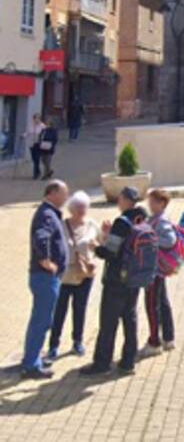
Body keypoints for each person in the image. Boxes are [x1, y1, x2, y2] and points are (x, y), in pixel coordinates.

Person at [81, 186, 149, 377]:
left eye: (120, 198)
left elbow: (111, 253)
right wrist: (110, 234)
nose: (118, 201)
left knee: (108, 322)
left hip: (116, 281)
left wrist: (96, 247)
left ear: (126, 200)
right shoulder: (143, 218)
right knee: (130, 319)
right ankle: (128, 362)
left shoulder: (122, 222)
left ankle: (102, 364)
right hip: (135, 279)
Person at [22, 179, 69, 379]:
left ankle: (33, 358)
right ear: (51, 193)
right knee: (41, 321)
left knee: (42, 320)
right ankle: (31, 365)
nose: (66, 197)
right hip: (45, 278)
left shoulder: (49, 213)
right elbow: (41, 238)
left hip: (46, 278)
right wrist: (45, 261)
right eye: (63, 193)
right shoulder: (47, 215)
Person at [47, 190, 99, 360]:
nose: (82, 210)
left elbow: (101, 243)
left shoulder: (92, 225)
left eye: (84, 207)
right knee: (59, 310)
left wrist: (101, 240)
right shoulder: (61, 226)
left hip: (85, 274)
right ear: (71, 208)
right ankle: (53, 345)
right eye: (79, 207)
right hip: (64, 274)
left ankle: (77, 341)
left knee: (80, 309)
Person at [142, 188, 179, 356]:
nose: (150, 204)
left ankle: (154, 342)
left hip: (155, 270)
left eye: (153, 201)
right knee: (162, 302)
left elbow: (170, 240)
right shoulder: (154, 219)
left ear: (162, 203)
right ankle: (168, 338)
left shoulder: (161, 221)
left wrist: (153, 240)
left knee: (152, 305)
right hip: (157, 269)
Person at [25, 112, 45, 179]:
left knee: (37, 158)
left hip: (39, 144)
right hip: (31, 143)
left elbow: (45, 134)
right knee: (34, 159)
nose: (37, 120)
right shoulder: (30, 125)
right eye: (35, 118)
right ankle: (38, 171)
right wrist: (23, 135)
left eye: (38, 118)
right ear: (33, 119)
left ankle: (35, 174)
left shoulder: (42, 126)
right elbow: (27, 133)